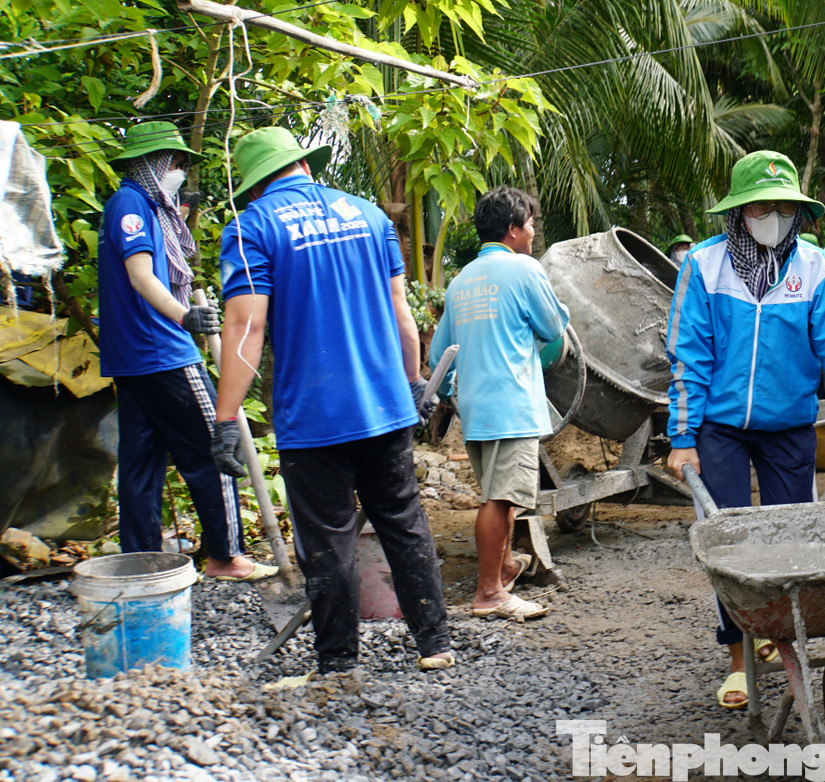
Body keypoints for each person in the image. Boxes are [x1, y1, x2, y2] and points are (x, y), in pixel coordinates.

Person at [211, 126, 452, 674]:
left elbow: (246, 327)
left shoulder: (253, 226)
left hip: (314, 416)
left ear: (255, 185)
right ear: (303, 166)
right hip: (384, 405)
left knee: (328, 537)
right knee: (402, 520)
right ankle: (435, 642)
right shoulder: (367, 215)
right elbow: (401, 311)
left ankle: (340, 661)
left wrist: (226, 417)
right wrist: (412, 382)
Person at [665, 150, 825, 709]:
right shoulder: (705, 265)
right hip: (719, 429)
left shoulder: (815, 268)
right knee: (727, 543)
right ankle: (738, 658)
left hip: (789, 428)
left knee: (790, 542)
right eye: (763, 206)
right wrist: (682, 435)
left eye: (785, 207)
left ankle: (778, 638)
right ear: (740, 211)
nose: (775, 217)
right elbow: (688, 355)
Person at [97, 121, 271, 581]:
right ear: (154, 164)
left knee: (141, 464)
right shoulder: (133, 206)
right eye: (175, 164)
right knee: (211, 451)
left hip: (131, 357)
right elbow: (141, 275)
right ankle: (225, 555)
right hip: (161, 350)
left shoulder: (132, 205)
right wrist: (184, 316)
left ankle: (140, 562)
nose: (179, 172)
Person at [430, 187, 569, 622]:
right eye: (528, 224)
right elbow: (552, 327)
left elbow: (439, 357)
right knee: (501, 500)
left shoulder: (460, 281)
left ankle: (505, 567)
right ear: (512, 230)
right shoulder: (524, 270)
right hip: (512, 403)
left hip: (475, 406)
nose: (531, 232)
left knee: (498, 494)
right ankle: (489, 592)